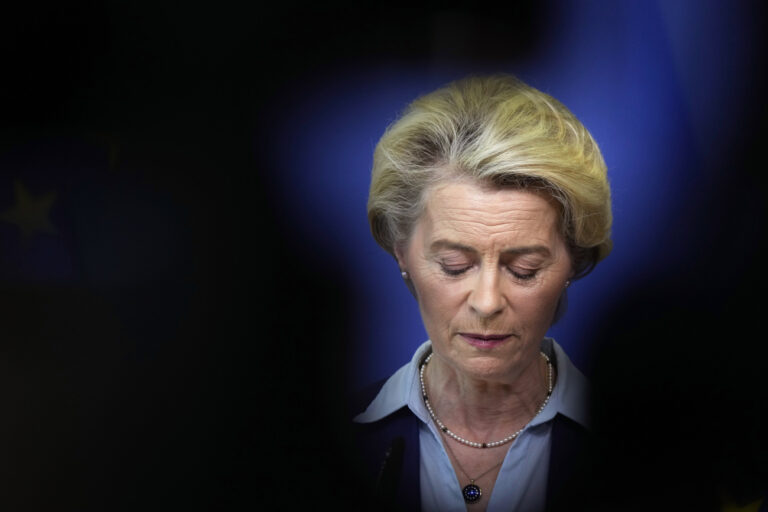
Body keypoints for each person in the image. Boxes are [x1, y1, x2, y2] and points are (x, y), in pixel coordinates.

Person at [351, 74, 612, 512]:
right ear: (402, 254)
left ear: (574, 261)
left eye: (524, 269)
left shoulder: (649, 453)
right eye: (455, 265)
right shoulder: (320, 440)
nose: (487, 301)